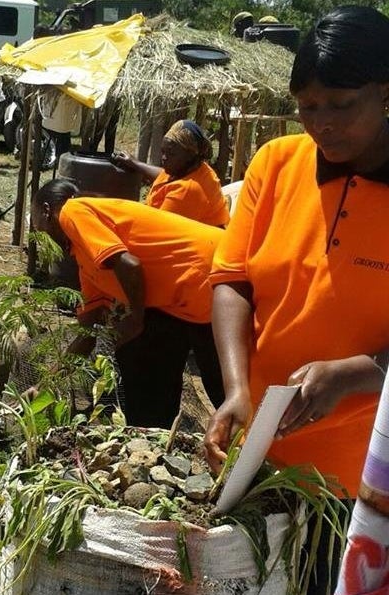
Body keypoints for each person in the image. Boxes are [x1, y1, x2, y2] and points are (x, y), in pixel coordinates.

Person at [203, 6, 389, 594]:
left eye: (341, 105)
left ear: (386, 93)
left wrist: (355, 374)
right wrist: (238, 389)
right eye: (307, 107)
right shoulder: (277, 164)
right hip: (266, 464)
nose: (322, 124)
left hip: (363, 488)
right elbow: (232, 278)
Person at [32, 179, 226, 429]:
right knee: (144, 359)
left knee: (223, 383)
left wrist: (135, 316)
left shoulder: (73, 210)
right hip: (185, 299)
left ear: (47, 212)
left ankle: (258, 453)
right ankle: (152, 437)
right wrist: (45, 385)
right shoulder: (85, 260)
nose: (39, 235)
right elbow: (87, 332)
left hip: (213, 274)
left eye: (37, 226)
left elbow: (129, 264)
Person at [112, 120, 230, 227]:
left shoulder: (188, 191)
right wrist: (135, 163)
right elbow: (163, 175)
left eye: (171, 154)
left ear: (189, 155)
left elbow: (155, 231)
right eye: (163, 151)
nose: (164, 158)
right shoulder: (194, 169)